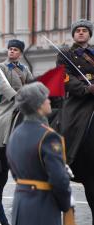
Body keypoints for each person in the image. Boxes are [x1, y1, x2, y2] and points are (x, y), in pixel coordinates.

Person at [7, 82, 72, 225]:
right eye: (45, 98)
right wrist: (65, 204)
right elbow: (59, 180)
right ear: (37, 106)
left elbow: (15, 171)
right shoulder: (48, 136)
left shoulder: (15, 134)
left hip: (21, 203)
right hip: (43, 204)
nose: (48, 100)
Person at [0, 39, 33, 225]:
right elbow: (4, 87)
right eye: (10, 49)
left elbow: (32, 84)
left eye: (15, 50)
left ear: (20, 53)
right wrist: (18, 97)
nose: (11, 52)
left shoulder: (25, 69)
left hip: (24, 103)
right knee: (0, 122)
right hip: (6, 105)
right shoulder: (0, 67)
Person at [56, 19, 94, 167]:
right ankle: (65, 160)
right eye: (78, 31)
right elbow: (64, 77)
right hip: (79, 98)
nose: (81, 33)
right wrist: (85, 89)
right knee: (68, 126)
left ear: (89, 34)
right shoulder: (66, 54)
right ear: (73, 35)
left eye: (84, 30)